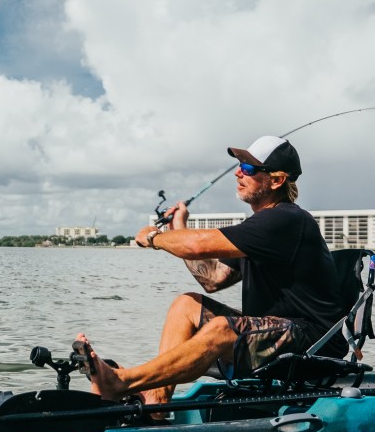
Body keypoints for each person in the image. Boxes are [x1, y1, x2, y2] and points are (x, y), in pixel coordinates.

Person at [75, 135, 346, 404]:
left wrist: (154, 237)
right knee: (186, 304)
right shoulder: (262, 225)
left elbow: (199, 246)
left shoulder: (286, 219)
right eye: (240, 165)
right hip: (275, 335)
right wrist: (178, 227)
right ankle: (157, 401)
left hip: (312, 342)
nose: (239, 172)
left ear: (276, 180)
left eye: (250, 169)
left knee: (222, 329)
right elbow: (213, 279)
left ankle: (122, 382)